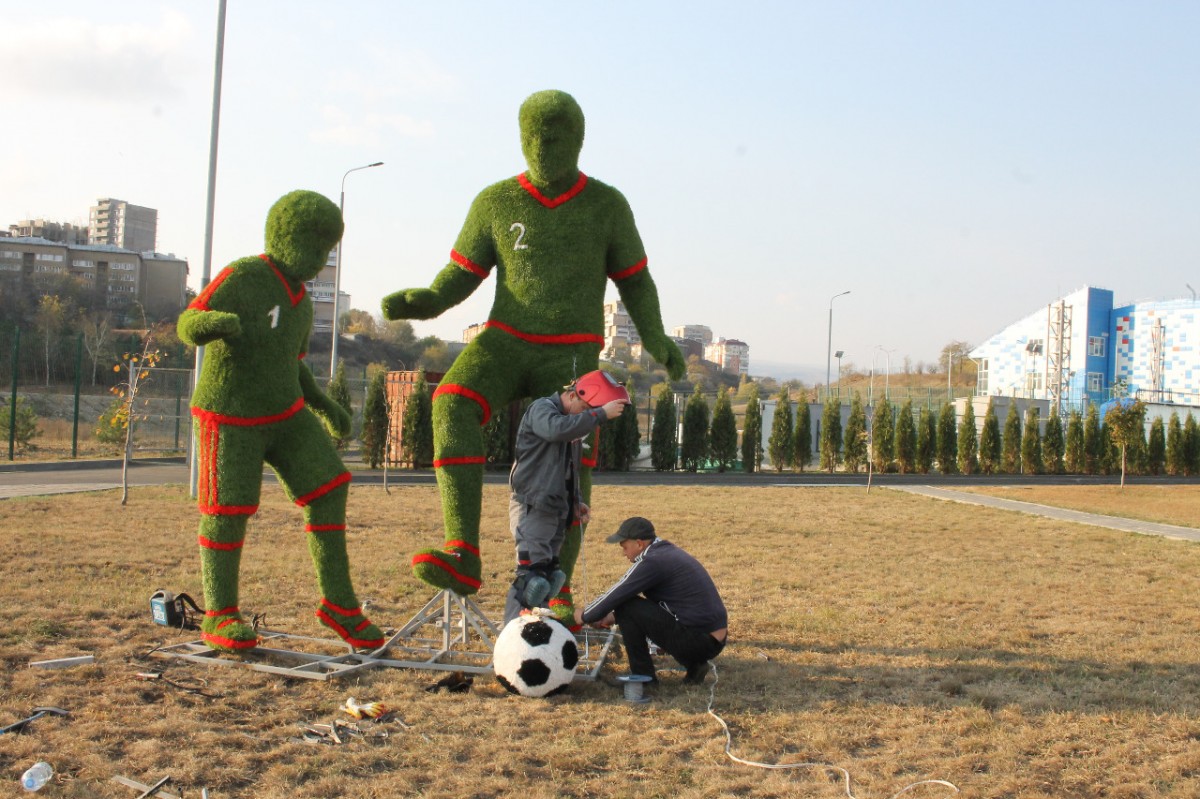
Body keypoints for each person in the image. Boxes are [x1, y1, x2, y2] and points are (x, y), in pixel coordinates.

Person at [381, 90, 684, 625]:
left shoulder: (606, 205)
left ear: (579, 140)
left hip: (569, 352)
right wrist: (428, 300)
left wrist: (657, 336)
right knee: (451, 402)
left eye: (558, 136)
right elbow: (462, 274)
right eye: (535, 136)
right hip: (504, 338)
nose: (545, 146)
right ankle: (462, 552)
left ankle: (557, 590)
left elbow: (636, 280)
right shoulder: (496, 201)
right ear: (521, 139)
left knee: (572, 459)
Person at [503, 371, 628, 624]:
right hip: (533, 504)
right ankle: (512, 637)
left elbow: (569, 468)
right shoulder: (543, 410)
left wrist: (576, 501)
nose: (585, 416)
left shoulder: (570, 426)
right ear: (572, 395)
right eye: (583, 408)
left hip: (556, 508)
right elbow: (554, 430)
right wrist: (600, 413)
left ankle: (537, 631)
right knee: (531, 579)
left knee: (550, 578)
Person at [575, 517, 728, 684]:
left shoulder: (652, 562)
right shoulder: (666, 551)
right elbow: (664, 605)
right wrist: (611, 617)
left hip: (699, 641)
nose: (623, 553)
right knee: (627, 606)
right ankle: (694, 664)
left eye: (625, 547)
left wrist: (584, 615)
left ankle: (644, 679)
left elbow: (616, 594)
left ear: (639, 544)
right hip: (712, 638)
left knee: (627, 605)